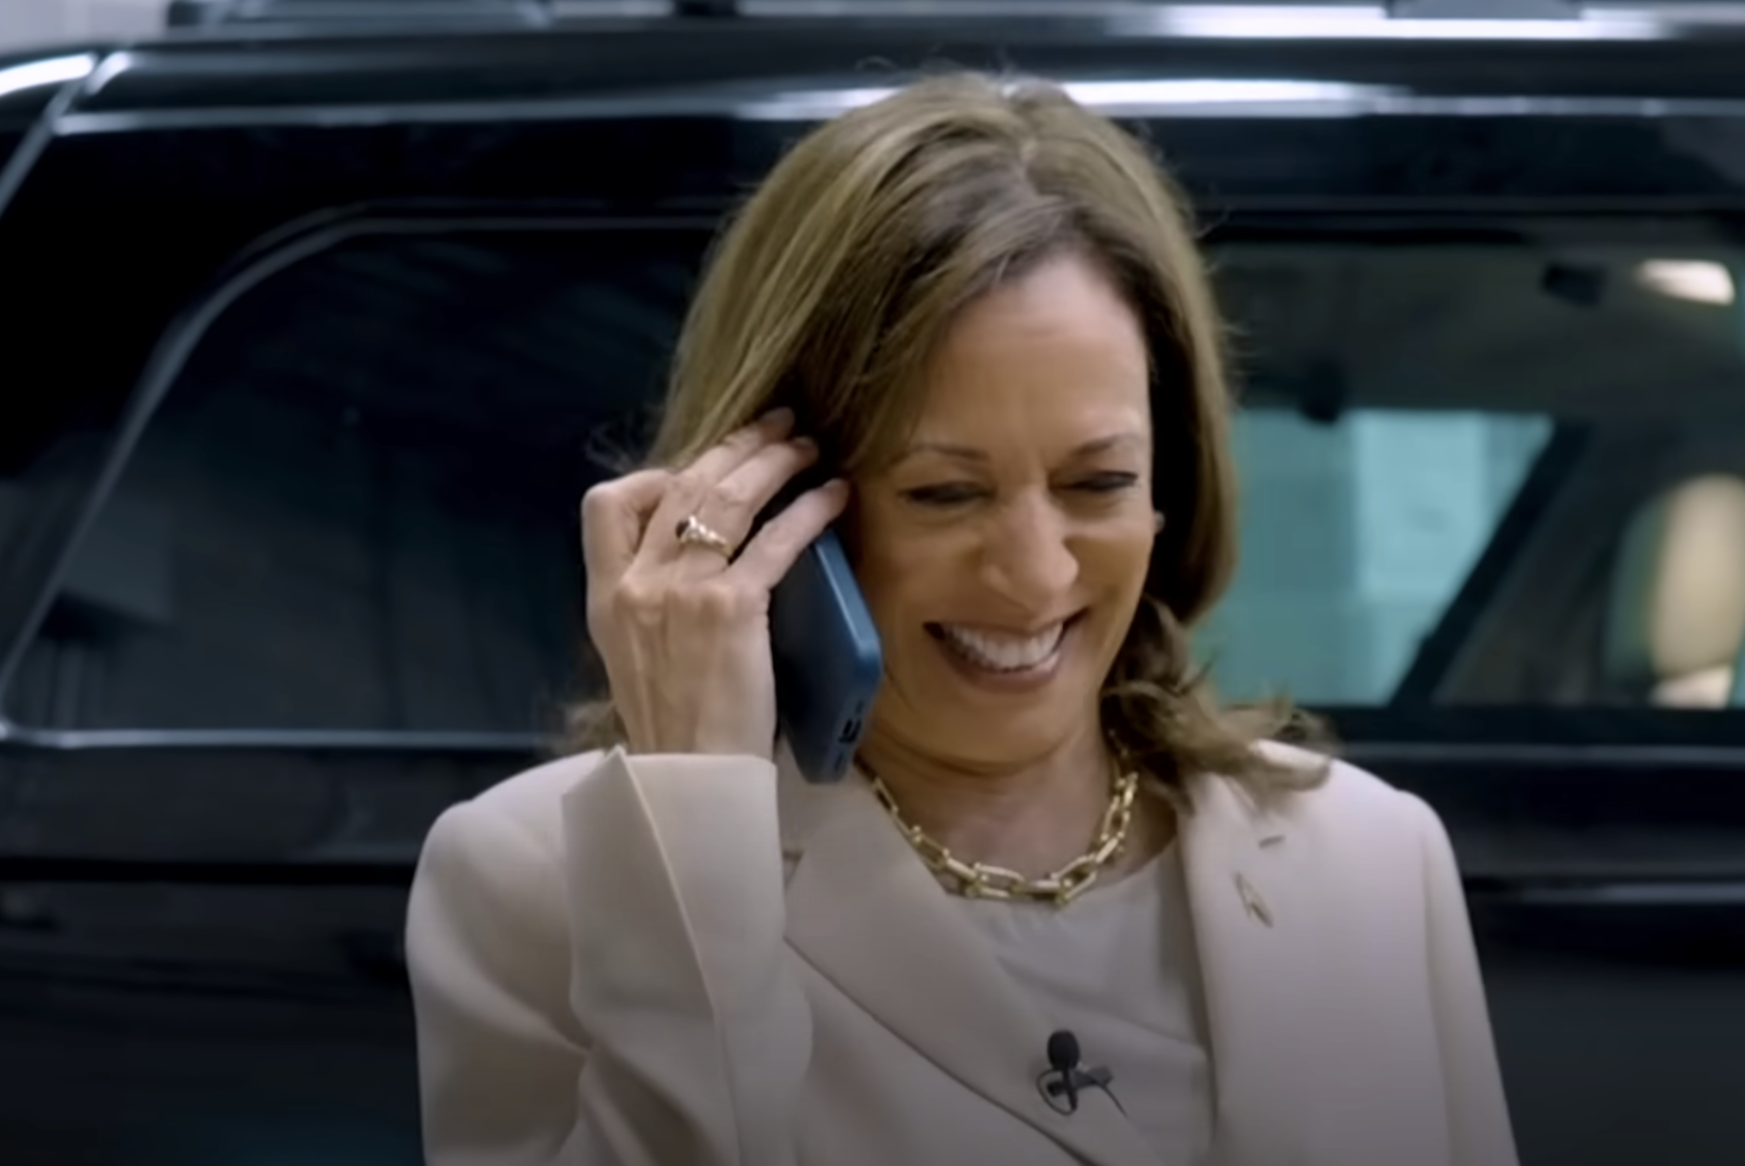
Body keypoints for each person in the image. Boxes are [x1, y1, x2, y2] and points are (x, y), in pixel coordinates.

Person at [404, 72, 1519, 1166]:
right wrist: (695, 829)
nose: (1035, 575)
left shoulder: (1372, 857)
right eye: (944, 492)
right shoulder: (532, 880)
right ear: (768, 506)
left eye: (1097, 483)